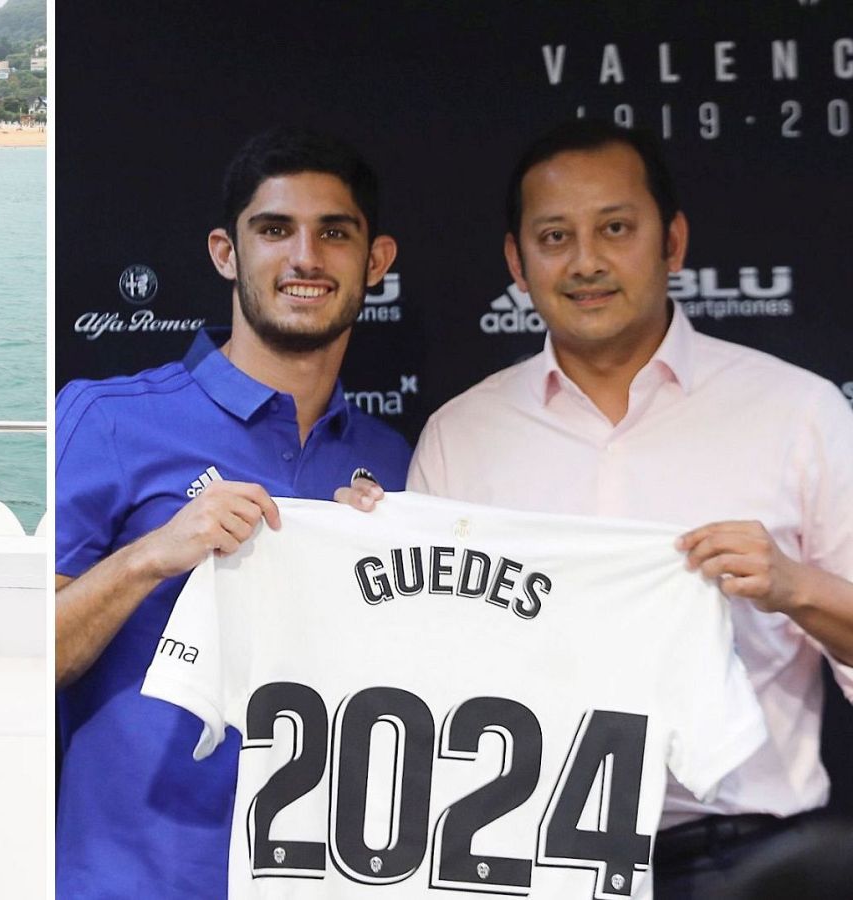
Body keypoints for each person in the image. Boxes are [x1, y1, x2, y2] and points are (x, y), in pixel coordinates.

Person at [342, 119, 853, 899]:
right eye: (554, 237)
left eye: (615, 228)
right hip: (526, 858)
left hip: (748, 861)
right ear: (517, 261)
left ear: (672, 241)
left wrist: (795, 586)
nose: (586, 262)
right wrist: (367, 559)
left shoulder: (801, 413)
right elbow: (421, 677)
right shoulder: (462, 436)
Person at [53, 126, 413, 897]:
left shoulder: (398, 466)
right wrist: (151, 554)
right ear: (227, 253)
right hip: (129, 880)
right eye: (275, 230)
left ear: (375, 262)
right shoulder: (107, 419)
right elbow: (25, 656)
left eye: (335, 233)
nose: (305, 257)